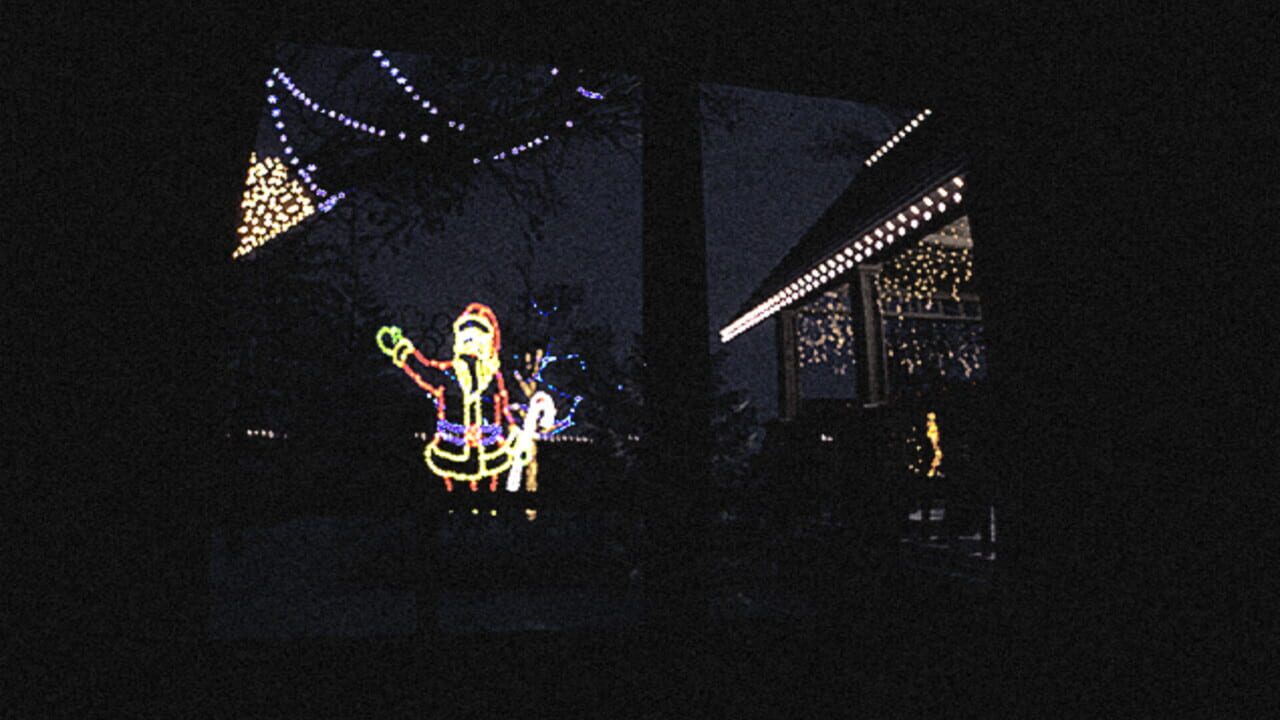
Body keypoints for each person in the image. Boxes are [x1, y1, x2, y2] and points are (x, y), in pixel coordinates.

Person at [377, 303, 552, 492]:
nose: (473, 347)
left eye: (478, 341)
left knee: (489, 493)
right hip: (453, 447)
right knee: (454, 493)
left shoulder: (493, 377)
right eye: (467, 340)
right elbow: (424, 370)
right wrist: (403, 352)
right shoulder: (449, 374)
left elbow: (503, 407)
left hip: (489, 450)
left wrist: (513, 430)